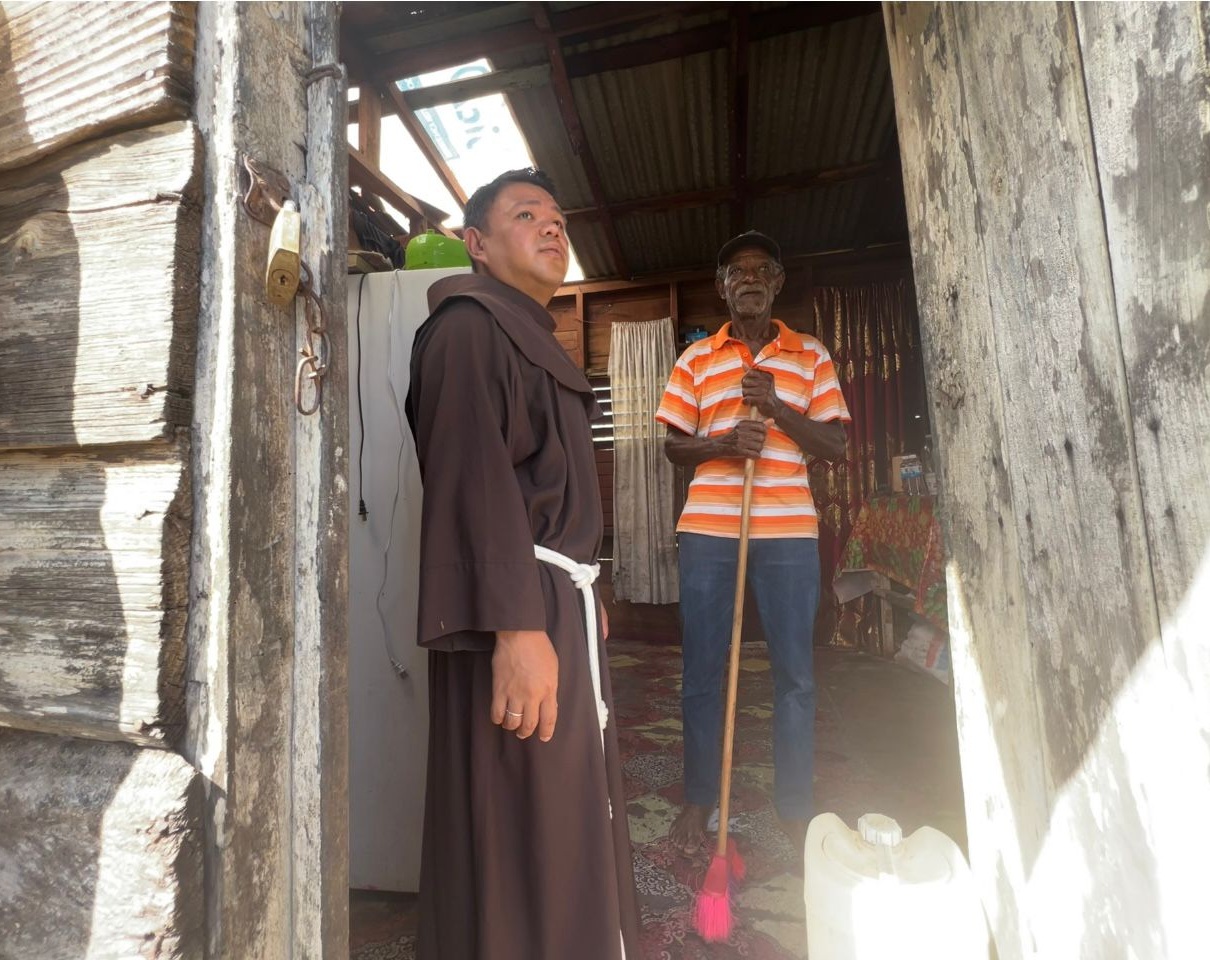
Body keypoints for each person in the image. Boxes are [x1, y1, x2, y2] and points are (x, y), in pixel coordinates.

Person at [405, 169, 640, 960]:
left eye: (558, 218)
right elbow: (472, 477)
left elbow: (545, 488)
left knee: (562, 807)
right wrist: (516, 626)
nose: (552, 229)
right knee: (518, 813)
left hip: (551, 597)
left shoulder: (531, 334)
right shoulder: (469, 329)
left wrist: (582, 588)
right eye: (526, 215)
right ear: (476, 244)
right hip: (516, 611)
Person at [656, 230, 851, 856]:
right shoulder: (695, 361)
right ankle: (700, 797)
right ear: (721, 287)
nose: (748, 279)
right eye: (735, 271)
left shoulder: (811, 356)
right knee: (702, 673)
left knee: (796, 674)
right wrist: (721, 444)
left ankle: (794, 806)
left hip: (789, 534)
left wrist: (779, 410)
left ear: (777, 283)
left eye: (761, 269)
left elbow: (837, 446)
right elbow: (671, 446)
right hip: (710, 533)